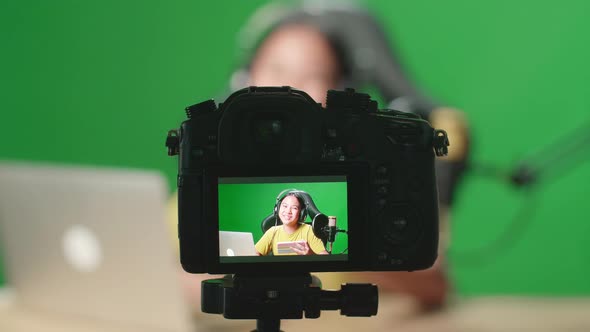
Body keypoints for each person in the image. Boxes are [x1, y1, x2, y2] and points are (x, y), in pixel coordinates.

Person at [255, 191, 329, 256]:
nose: (288, 211)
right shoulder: (272, 232)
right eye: (285, 206)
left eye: (294, 208)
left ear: (301, 213)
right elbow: (255, 253)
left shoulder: (308, 230)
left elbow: (325, 257)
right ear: (277, 209)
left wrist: (310, 254)